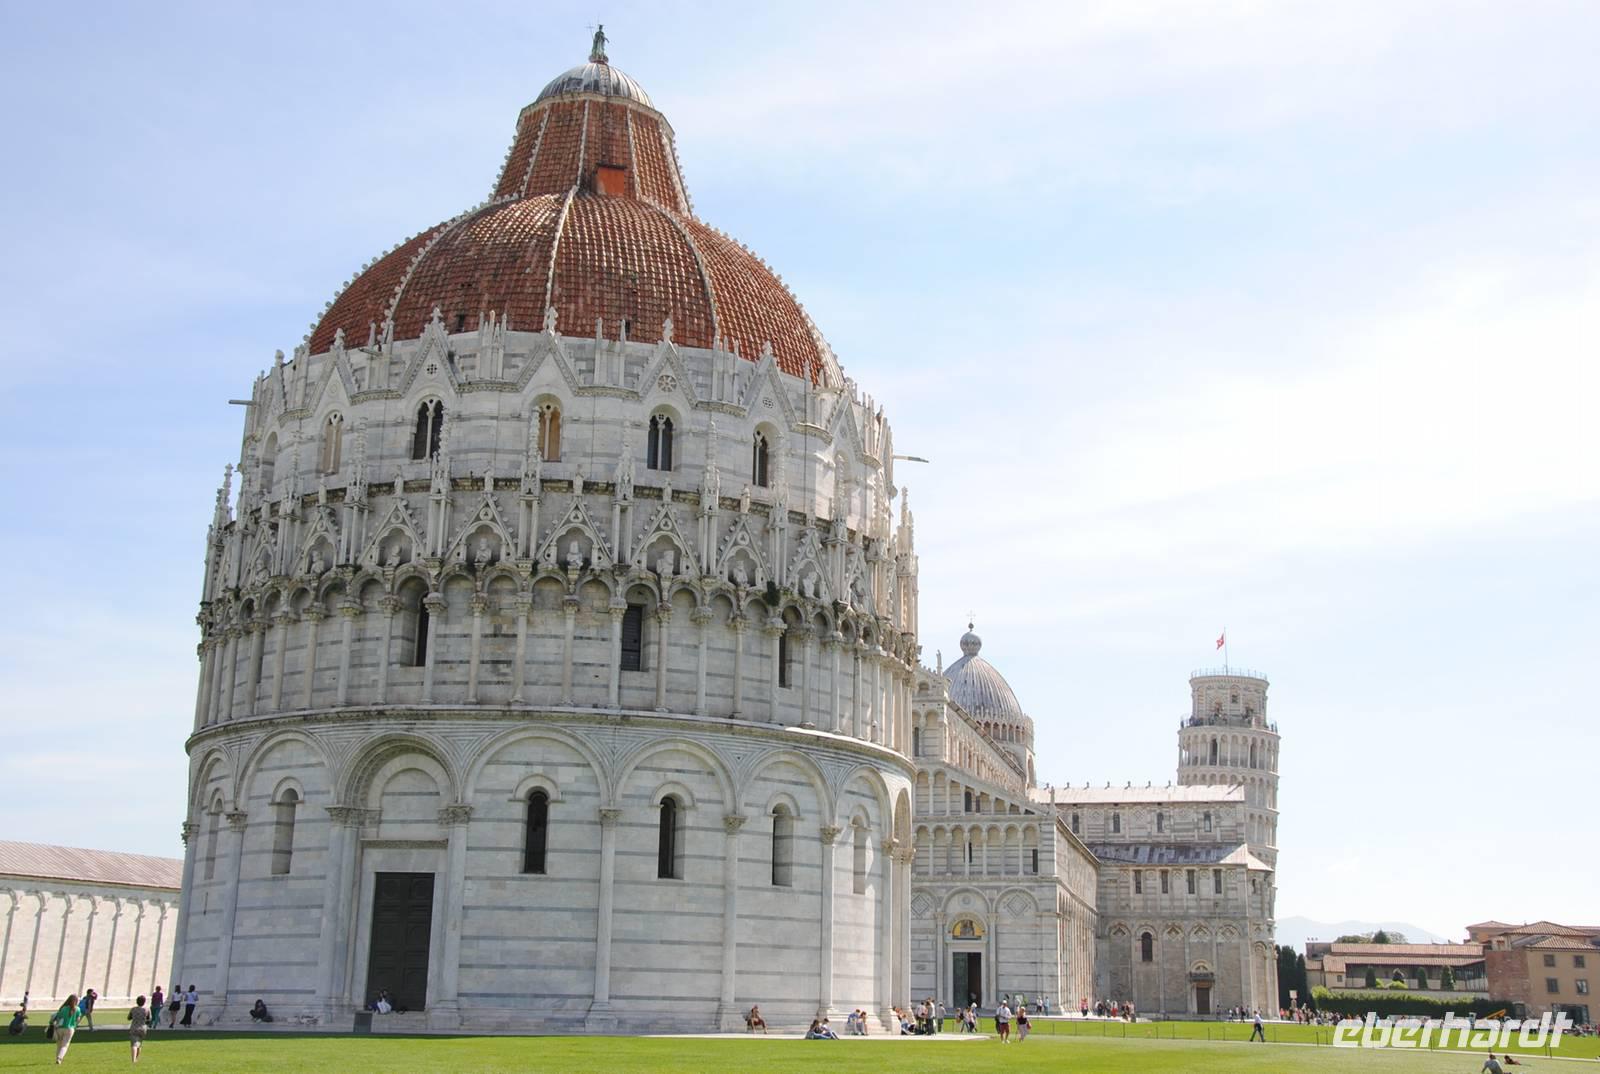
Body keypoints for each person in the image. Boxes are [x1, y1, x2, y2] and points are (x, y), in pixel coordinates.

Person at [50, 993, 82, 1064]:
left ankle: (57, 1058)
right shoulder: (77, 1009)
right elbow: (78, 1019)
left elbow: (58, 1017)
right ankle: (59, 1058)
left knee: (59, 1044)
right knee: (65, 1045)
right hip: (70, 1028)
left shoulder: (63, 1008)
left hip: (60, 1028)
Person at [128, 996, 150, 1064]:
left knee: (134, 1044)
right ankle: (137, 1059)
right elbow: (149, 1019)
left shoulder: (133, 1009)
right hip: (143, 1028)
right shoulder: (147, 1009)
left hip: (134, 1027)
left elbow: (129, 1017)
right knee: (139, 1044)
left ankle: (133, 1060)